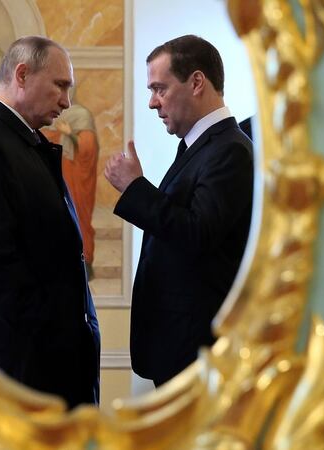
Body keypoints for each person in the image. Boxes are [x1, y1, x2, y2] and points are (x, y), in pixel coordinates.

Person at [0, 36, 100, 408]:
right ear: (22, 74)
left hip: (47, 358)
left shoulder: (21, 140)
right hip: (24, 366)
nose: (66, 101)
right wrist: (52, 336)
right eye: (60, 86)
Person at [104, 35, 253, 387]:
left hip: (195, 348)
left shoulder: (229, 150)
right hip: (177, 344)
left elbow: (197, 233)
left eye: (160, 88)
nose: (153, 103)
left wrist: (135, 188)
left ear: (197, 82)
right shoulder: (200, 146)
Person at [41, 93, 99, 279]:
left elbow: (88, 147)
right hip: (65, 174)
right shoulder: (59, 115)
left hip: (79, 178)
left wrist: (69, 134)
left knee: (80, 217)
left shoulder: (82, 116)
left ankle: (85, 264)